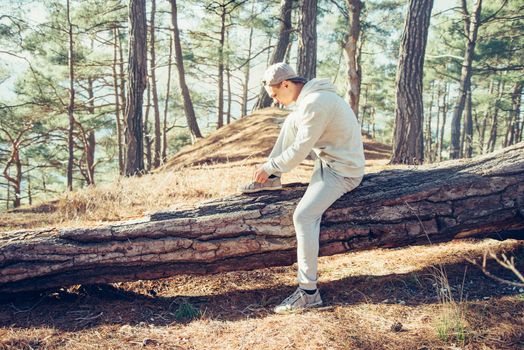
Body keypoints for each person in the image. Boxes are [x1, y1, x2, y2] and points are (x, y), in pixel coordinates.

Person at [240, 62, 365, 314]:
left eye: (275, 95)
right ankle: (273, 180)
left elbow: (299, 152)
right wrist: (273, 169)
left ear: (286, 84)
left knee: (303, 216)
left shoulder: (315, 103)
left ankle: (308, 293)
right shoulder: (311, 98)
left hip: (343, 172)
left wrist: (269, 165)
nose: (275, 101)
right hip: (328, 162)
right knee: (291, 121)